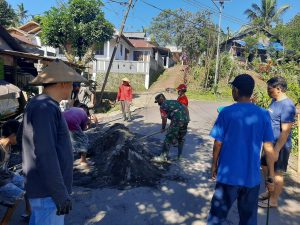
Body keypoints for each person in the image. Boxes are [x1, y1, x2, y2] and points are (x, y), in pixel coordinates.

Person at [21, 59, 87, 225]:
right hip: (48, 194)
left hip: (44, 191)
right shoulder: (45, 108)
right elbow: (46, 154)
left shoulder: (40, 104)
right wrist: (59, 194)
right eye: (72, 84)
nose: (73, 88)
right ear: (64, 83)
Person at [207, 74, 276, 225]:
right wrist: (270, 177)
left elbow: (218, 143)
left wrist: (214, 165)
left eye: (233, 88)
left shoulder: (226, 112)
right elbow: (269, 149)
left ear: (236, 91)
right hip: (251, 178)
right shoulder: (263, 115)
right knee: (248, 220)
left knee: (217, 217)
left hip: (228, 177)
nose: (232, 91)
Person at [258, 76, 296, 208]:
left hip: (280, 145)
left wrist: (276, 150)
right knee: (265, 167)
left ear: (278, 89)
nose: (268, 91)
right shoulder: (274, 101)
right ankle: (269, 191)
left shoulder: (287, 105)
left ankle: (273, 200)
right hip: (269, 143)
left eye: (270, 89)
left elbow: (285, 132)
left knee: (277, 173)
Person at [0, 120, 31, 223]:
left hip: (5, 175)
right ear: (13, 135)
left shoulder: (8, 146)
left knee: (28, 183)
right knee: (17, 195)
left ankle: (28, 212)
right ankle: (4, 222)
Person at [154, 93, 189, 161]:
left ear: (161, 100)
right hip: (185, 120)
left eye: (158, 102)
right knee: (180, 138)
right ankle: (179, 156)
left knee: (168, 139)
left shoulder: (162, 106)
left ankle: (162, 157)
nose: (158, 104)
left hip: (177, 121)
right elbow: (185, 108)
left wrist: (163, 128)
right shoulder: (174, 101)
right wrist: (187, 118)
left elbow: (164, 118)